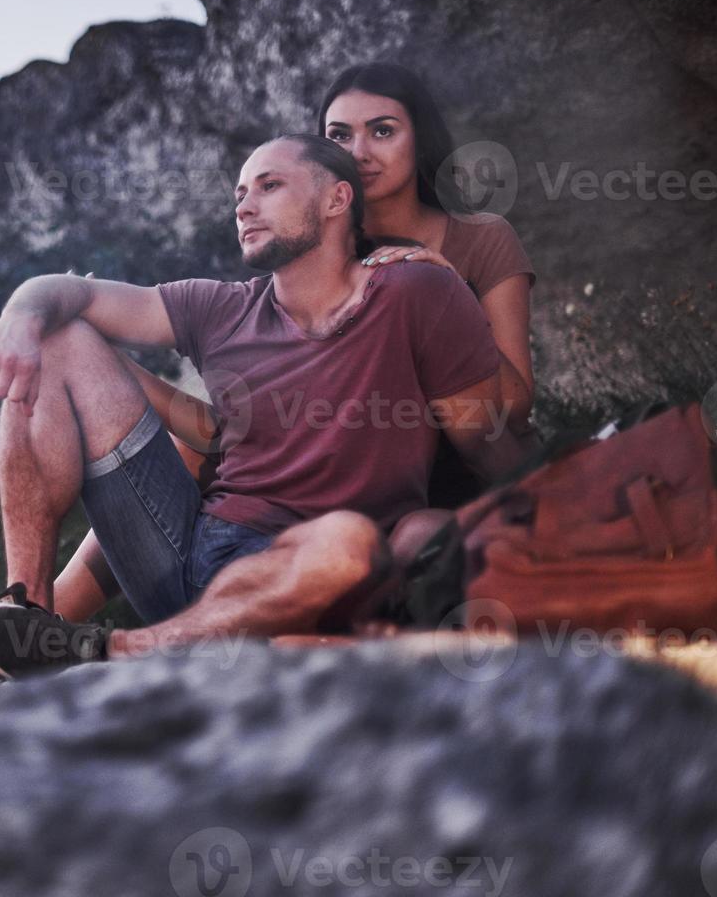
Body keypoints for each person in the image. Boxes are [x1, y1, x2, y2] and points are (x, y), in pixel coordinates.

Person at [0, 133, 531, 678]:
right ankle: (24, 628)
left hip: (321, 572)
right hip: (193, 560)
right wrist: (20, 318)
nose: (245, 206)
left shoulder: (416, 291)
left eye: (269, 186)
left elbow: (482, 439)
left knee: (346, 543)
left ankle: (118, 651)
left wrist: (544, 520)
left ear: (337, 197)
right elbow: (76, 293)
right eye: (239, 195)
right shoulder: (220, 308)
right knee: (54, 337)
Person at [51, 62, 538, 623]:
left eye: (382, 131)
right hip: (331, 472)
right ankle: (44, 616)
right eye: (339, 136)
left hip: (445, 468)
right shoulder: (312, 244)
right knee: (196, 451)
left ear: (419, 137)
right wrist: (103, 363)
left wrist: (446, 286)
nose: (359, 150)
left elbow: (515, 408)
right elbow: (260, 420)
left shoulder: (476, 239)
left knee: (411, 536)